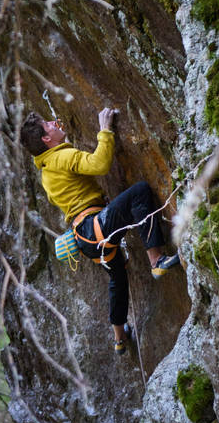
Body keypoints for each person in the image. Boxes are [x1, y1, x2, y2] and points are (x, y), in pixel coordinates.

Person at [20, 107, 180, 353]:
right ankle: (156, 259)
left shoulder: (47, 170)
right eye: (49, 124)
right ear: (46, 139)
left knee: (117, 277)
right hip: (95, 226)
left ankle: (119, 338)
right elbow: (99, 164)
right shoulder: (60, 159)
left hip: (86, 239)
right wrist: (105, 129)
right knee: (139, 193)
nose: (53, 122)